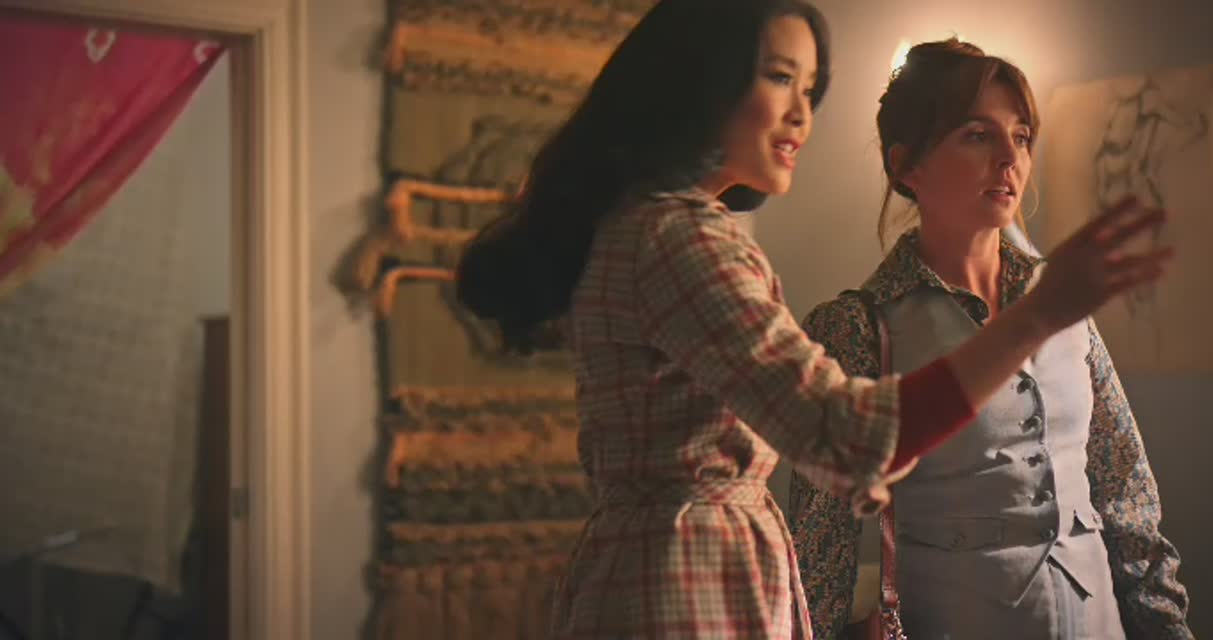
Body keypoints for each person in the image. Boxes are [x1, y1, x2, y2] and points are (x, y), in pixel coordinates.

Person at [455, 3, 1171, 637]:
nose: (802, 114)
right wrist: (1036, 318)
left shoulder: (652, 230)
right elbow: (846, 439)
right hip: (684, 588)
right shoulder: (680, 240)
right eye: (779, 78)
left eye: (809, 89)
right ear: (702, 79)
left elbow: (1123, 488)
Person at [788, 39, 1192, 640]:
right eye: (977, 135)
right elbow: (819, 558)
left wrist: (1166, 627)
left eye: (1021, 137)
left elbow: (1126, 494)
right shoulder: (857, 326)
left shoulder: (1063, 297)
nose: (1010, 158)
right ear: (906, 165)